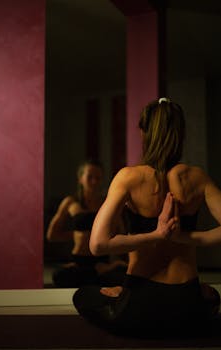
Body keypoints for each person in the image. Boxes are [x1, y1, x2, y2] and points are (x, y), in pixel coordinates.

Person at [73, 98, 221, 337]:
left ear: (144, 133)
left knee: (83, 295)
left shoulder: (128, 178)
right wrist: (181, 238)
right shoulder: (197, 177)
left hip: (138, 305)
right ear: (181, 133)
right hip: (187, 307)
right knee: (213, 297)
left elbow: (97, 244)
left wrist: (156, 235)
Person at [47, 159, 127, 288]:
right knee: (59, 275)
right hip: (78, 261)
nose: (94, 181)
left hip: (102, 263)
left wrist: (114, 263)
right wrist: (76, 235)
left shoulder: (108, 202)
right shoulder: (70, 202)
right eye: (90, 177)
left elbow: (121, 233)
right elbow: (52, 235)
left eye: (98, 177)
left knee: (121, 274)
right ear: (80, 178)